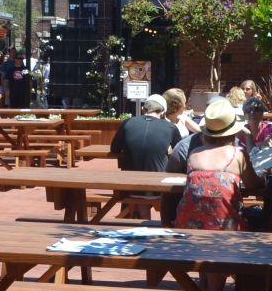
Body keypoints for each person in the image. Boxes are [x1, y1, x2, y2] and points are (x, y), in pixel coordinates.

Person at [169, 98, 264, 232]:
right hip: (227, 229)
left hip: (187, 227)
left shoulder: (194, 154)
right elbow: (252, 184)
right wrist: (263, 178)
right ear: (232, 131)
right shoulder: (238, 154)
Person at [110, 94, 182, 173]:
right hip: (158, 178)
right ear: (163, 113)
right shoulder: (170, 127)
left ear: (143, 109)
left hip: (129, 176)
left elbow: (114, 149)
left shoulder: (127, 122)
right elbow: (181, 152)